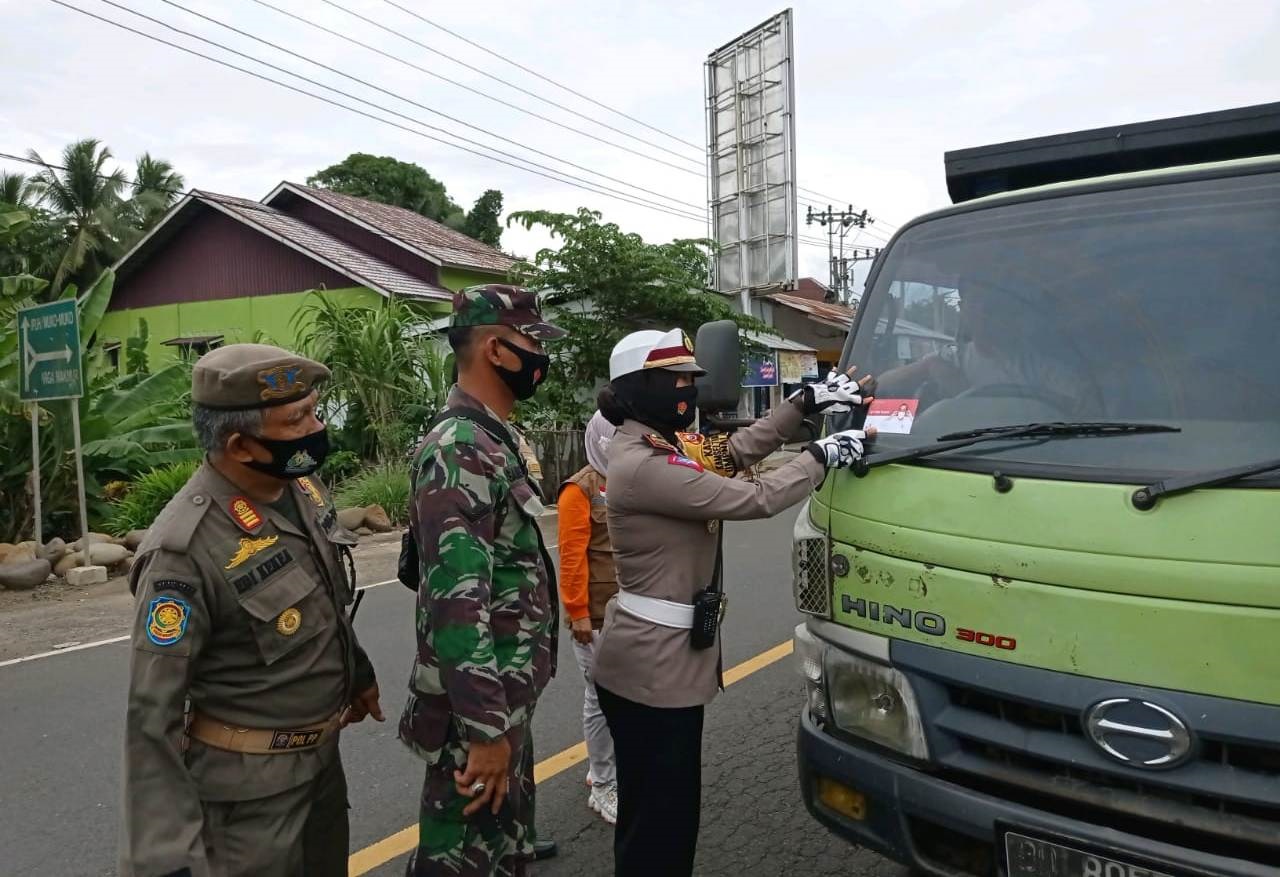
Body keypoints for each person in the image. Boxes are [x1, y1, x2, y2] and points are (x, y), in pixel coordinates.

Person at [590, 328, 873, 877]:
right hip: (651, 672)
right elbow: (756, 496)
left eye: (691, 379)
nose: (686, 390)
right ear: (635, 389)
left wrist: (802, 403)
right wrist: (821, 455)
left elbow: (735, 450)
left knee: (661, 816)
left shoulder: (665, 446)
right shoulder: (645, 465)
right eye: (673, 380)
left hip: (658, 663)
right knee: (662, 825)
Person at [120, 343, 382, 877]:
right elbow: (152, 715)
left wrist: (357, 672)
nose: (317, 426)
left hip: (320, 770)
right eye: (298, 419)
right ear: (240, 445)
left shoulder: (301, 489)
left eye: (314, 409)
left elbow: (324, 589)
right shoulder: (184, 551)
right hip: (248, 802)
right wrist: (165, 857)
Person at [401, 285, 564, 876]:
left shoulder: (491, 437)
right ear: (496, 350)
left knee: (501, 855)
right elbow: (456, 603)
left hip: (501, 700)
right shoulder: (462, 448)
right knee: (462, 860)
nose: (542, 359)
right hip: (479, 717)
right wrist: (486, 731)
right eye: (533, 344)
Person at [556, 412, 620, 825]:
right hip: (594, 614)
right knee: (600, 698)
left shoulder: (631, 481)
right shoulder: (580, 490)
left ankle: (604, 768)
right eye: (613, 437)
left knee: (622, 696)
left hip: (627, 609)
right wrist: (577, 614)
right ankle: (602, 785)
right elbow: (571, 558)